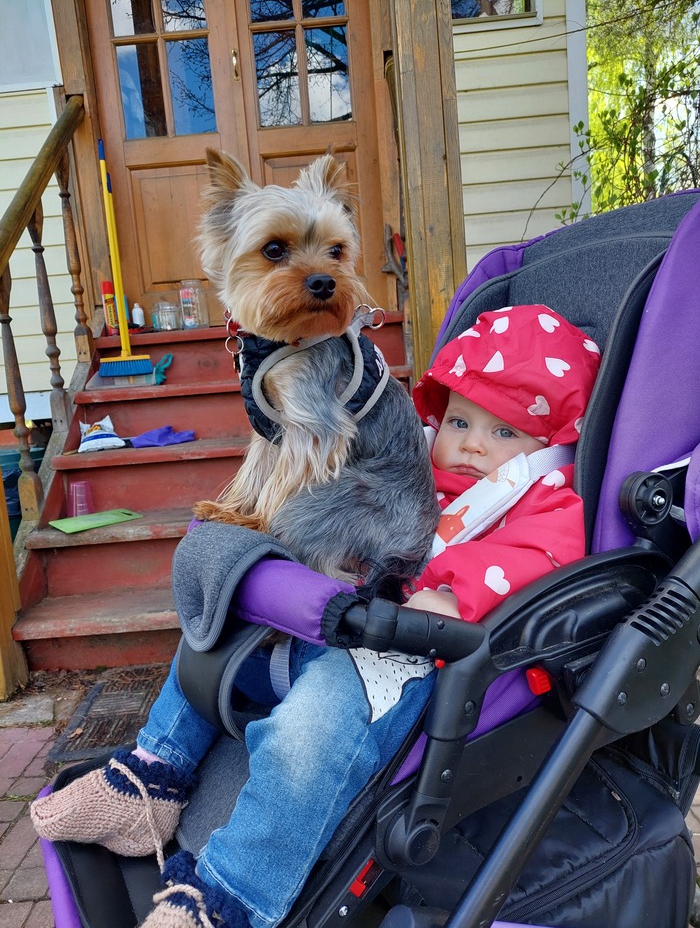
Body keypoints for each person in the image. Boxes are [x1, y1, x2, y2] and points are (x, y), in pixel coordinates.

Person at [31, 304, 600, 928]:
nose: (471, 444)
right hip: (344, 621)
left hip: (411, 659)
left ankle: (227, 897)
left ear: (547, 448)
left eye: (505, 433)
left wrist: (455, 596)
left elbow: (542, 555)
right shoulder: (415, 473)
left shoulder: (538, 502)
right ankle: (155, 774)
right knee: (219, 623)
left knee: (310, 730)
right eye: (460, 421)